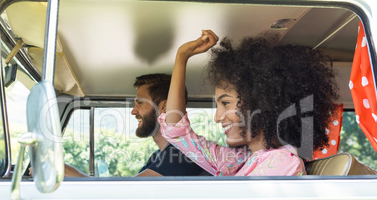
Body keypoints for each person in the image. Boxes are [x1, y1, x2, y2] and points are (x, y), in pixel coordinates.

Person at [157, 30, 339, 176]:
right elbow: (176, 130)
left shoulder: (284, 164)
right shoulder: (236, 159)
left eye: (226, 104)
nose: (217, 117)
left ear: (261, 103)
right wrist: (182, 57)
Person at [132, 73, 208, 177]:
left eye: (140, 103)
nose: (133, 111)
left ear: (164, 106)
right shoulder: (157, 156)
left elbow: (130, 188)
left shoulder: (181, 153)